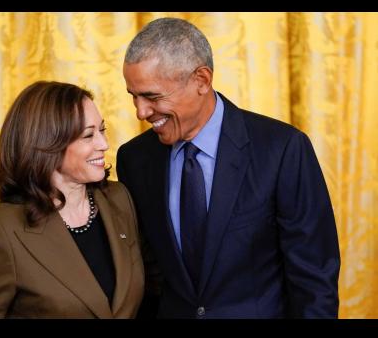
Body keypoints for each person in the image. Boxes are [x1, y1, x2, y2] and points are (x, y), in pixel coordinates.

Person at [116, 17, 340, 319]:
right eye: (134, 97)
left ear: (202, 80)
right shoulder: (135, 158)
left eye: (152, 96)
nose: (141, 112)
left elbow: (314, 281)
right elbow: (145, 273)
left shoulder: (282, 149)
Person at [0, 81, 144, 318]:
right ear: (47, 145)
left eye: (102, 130)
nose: (103, 144)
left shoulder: (119, 198)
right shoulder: (1, 229)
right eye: (88, 135)